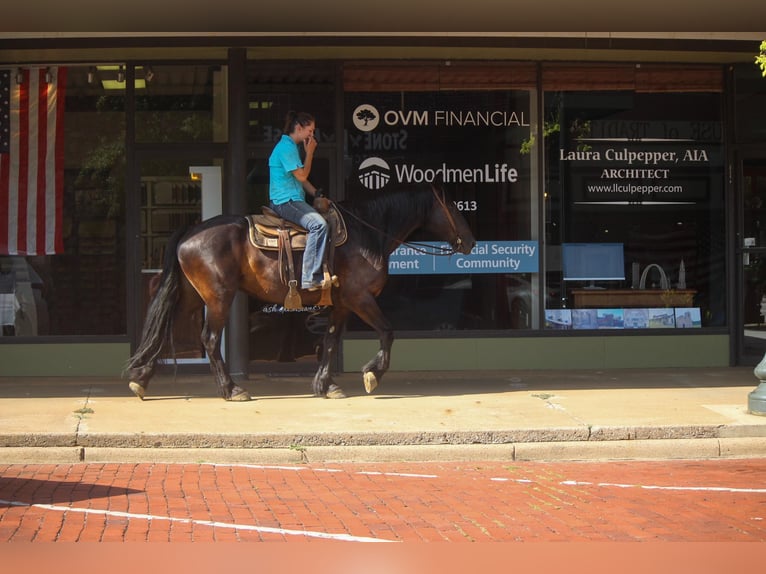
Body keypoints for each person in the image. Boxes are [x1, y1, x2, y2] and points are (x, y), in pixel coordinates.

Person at [268, 111, 329, 291]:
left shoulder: (291, 147)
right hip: (285, 202)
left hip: (293, 199)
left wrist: (317, 194)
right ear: (299, 128)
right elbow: (302, 174)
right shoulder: (286, 148)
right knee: (319, 225)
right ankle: (310, 277)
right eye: (310, 130)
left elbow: (300, 180)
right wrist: (310, 153)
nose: (312, 135)